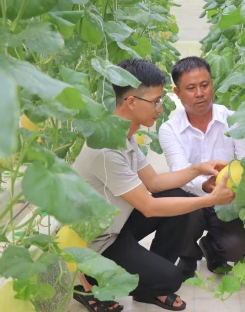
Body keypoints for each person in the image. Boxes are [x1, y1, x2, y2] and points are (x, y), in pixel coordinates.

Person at [72, 58, 235, 312]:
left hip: (117, 223)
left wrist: (198, 168)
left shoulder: (123, 134)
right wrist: (211, 199)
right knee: (170, 279)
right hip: (98, 240)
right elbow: (148, 206)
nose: (160, 108)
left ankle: (149, 288)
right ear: (132, 102)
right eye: (156, 101)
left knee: (180, 199)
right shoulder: (105, 147)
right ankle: (88, 280)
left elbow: (155, 183)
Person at [158, 56, 245, 280]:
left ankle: (211, 248)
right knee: (179, 215)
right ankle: (188, 255)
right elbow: (179, 172)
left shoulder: (233, 119)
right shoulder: (169, 129)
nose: (200, 93)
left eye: (205, 85)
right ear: (177, 92)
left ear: (212, 84)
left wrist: (241, 177)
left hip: (226, 199)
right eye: (191, 88)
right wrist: (204, 184)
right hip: (190, 200)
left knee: (235, 247)